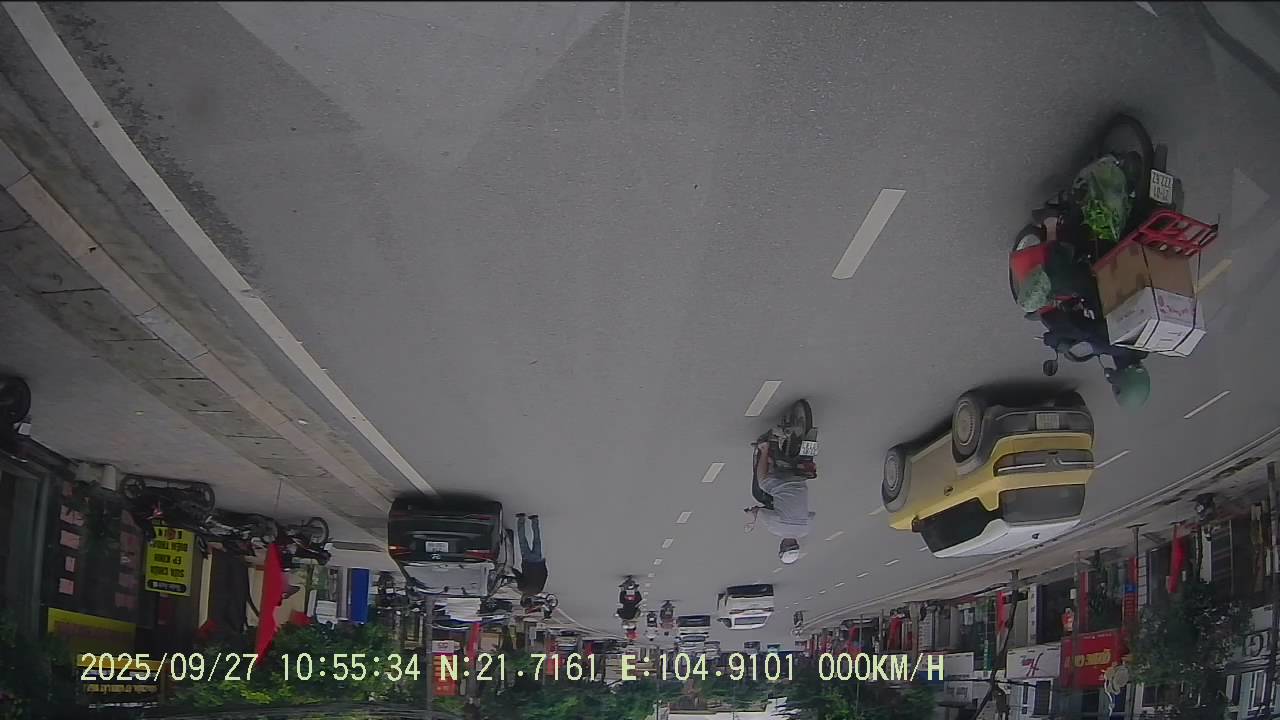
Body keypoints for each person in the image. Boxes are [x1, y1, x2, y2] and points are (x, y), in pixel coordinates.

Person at [745, 440, 814, 563]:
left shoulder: (806, 530)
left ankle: (774, 460)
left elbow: (811, 515)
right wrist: (752, 518)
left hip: (800, 482)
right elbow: (760, 511)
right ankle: (764, 449)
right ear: (782, 546)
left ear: (797, 544)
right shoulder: (776, 528)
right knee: (762, 483)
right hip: (782, 484)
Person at [512, 513, 548, 597]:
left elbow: (545, 575)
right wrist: (511, 569)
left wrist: (542, 564)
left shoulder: (539, 590)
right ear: (523, 598)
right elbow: (518, 575)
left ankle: (535, 520)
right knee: (522, 540)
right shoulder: (522, 588)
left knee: (537, 540)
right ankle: (521, 519)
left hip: (538, 562)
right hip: (527, 562)